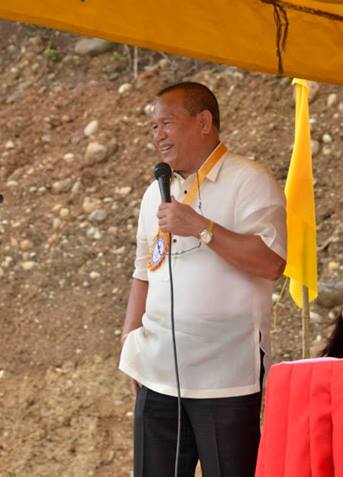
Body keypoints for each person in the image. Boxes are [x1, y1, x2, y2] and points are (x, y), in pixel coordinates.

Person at [118, 81, 287, 477]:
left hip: (226, 378)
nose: (158, 135)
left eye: (167, 123)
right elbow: (144, 269)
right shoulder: (154, 194)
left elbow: (272, 264)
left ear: (204, 121)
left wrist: (203, 228)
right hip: (158, 373)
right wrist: (129, 341)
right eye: (153, 127)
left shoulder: (249, 181)